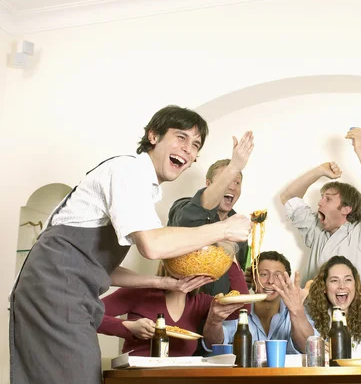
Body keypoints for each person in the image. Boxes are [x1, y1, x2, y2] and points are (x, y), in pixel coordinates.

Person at [9, 105, 252, 384]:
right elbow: (152, 246)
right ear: (153, 136)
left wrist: (166, 284)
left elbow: (100, 268)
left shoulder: (144, 190)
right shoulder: (128, 171)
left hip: (63, 290)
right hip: (54, 290)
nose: (188, 149)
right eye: (181, 137)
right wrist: (223, 228)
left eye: (195, 144)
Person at [280, 127, 361, 291]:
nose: (319, 203)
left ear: (346, 209)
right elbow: (288, 198)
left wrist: (360, 151)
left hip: (354, 315)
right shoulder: (316, 231)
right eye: (321, 197)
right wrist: (319, 171)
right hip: (310, 315)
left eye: (328, 199)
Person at [98, 256, 247, 357]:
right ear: (167, 263)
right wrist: (129, 327)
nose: (186, 267)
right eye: (181, 260)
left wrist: (229, 259)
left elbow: (243, 307)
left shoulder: (200, 302)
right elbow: (89, 315)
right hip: (138, 377)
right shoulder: (139, 292)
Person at [167, 131, 253, 296]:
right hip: (182, 304)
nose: (232, 187)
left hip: (219, 312)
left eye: (237, 182)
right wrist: (234, 166)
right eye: (226, 180)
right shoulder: (183, 207)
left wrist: (245, 279)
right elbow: (189, 220)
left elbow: (235, 274)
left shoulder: (238, 226)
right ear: (209, 184)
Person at [202, 251, 316, 354]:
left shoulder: (297, 311)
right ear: (252, 279)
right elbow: (213, 344)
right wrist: (214, 321)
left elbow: (309, 348)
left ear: (286, 281)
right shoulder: (238, 308)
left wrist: (297, 311)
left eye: (277, 275)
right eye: (263, 274)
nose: (270, 281)